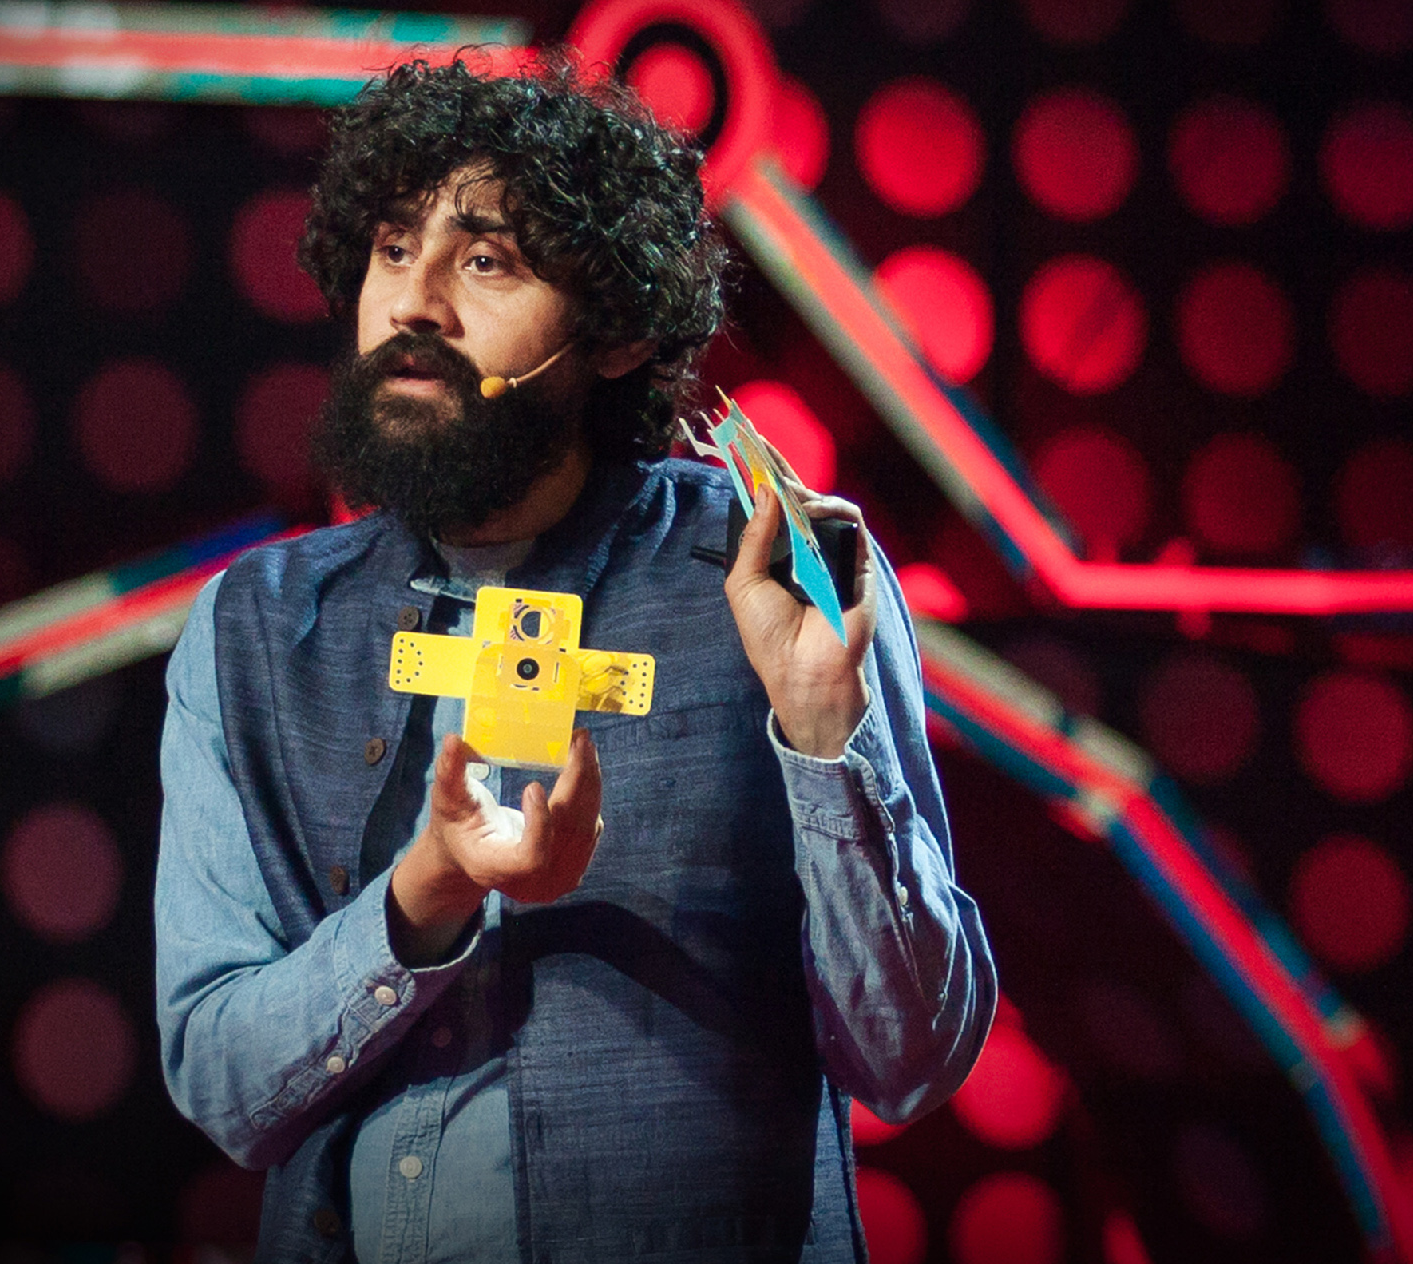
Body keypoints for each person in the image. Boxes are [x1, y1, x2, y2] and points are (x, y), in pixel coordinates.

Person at [154, 52, 995, 1264]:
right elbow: (224, 1086)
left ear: (612, 333)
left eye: (485, 260)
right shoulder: (252, 631)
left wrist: (823, 731)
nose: (414, 305)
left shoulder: (768, 578)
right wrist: (428, 890)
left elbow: (911, 1058)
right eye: (393, 250)